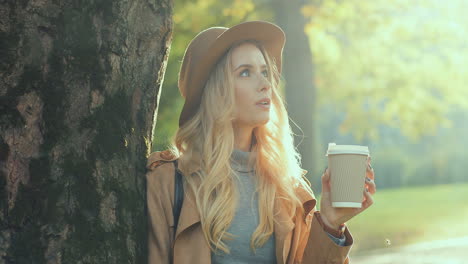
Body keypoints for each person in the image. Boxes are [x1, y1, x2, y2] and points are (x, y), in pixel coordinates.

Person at [146, 21, 376, 264]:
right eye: (245, 72)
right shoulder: (168, 182)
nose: (266, 84)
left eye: (265, 72)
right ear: (215, 91)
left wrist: (330, 223)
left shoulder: (289, 187)